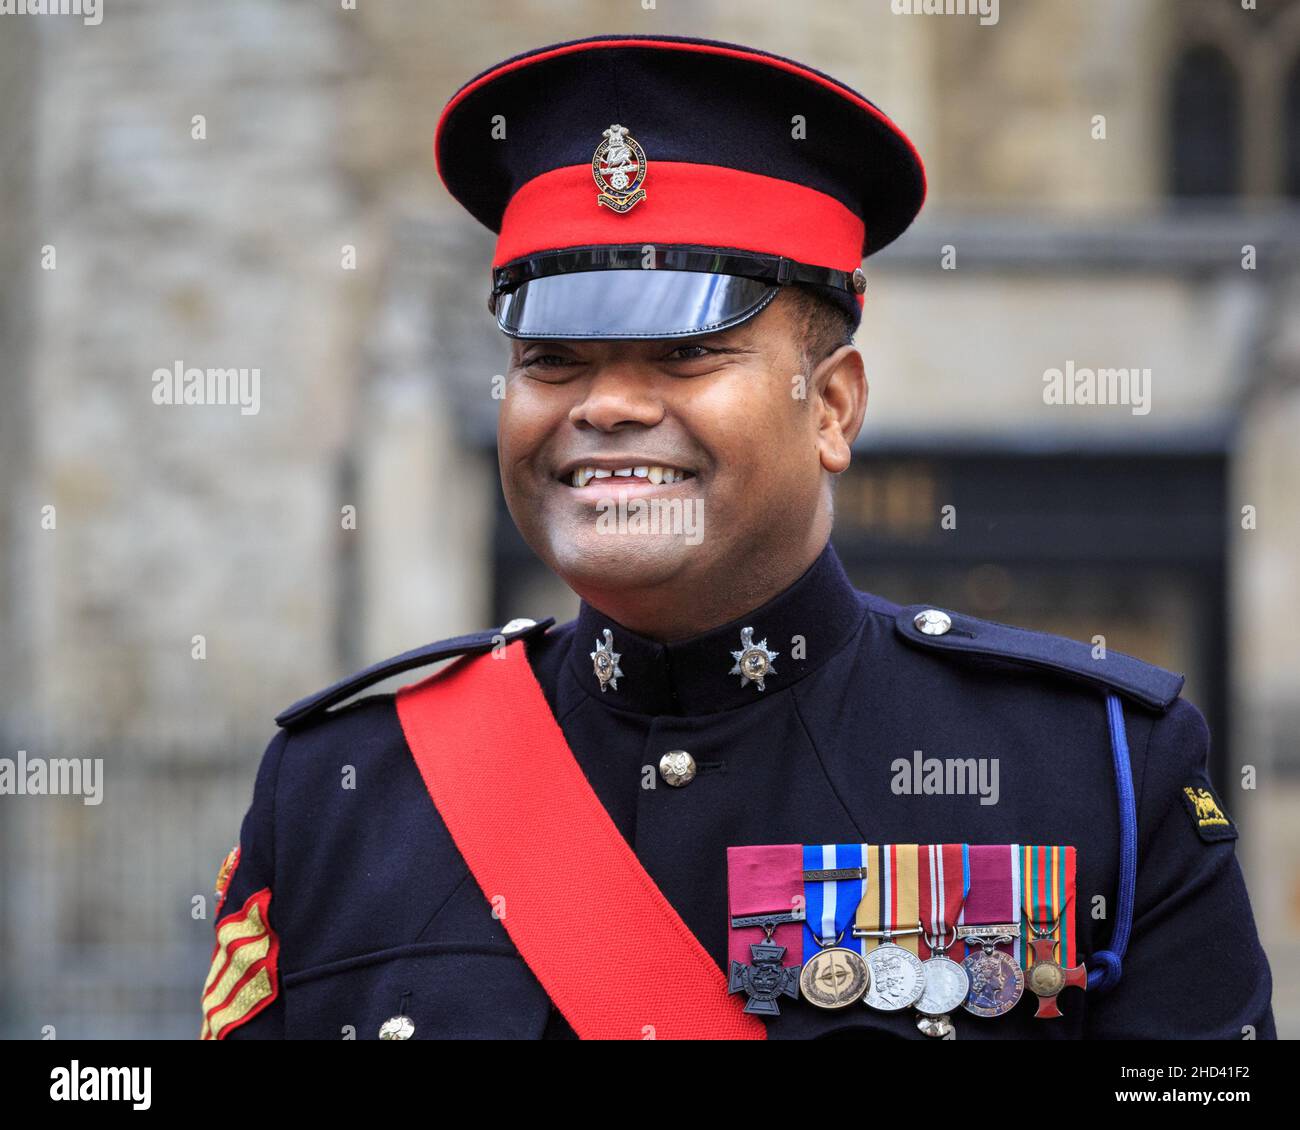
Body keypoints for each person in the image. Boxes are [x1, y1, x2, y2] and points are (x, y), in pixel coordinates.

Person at [199, 34, 1274, 1041]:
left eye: (684, 353)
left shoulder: (1098, 768)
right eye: (553, 361)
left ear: (832, 408)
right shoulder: (338, 791)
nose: (607, 405)